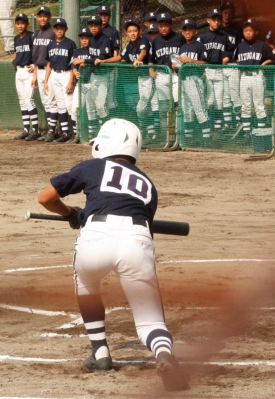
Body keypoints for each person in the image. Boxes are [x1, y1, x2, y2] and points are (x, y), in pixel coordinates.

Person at [36, 118, 189, 392]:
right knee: (150, 320)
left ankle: (100, 352)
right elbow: (139, 220)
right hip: (137, 239)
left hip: (95, 237)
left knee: (86, 283)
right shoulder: (148, 184)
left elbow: (45, 198)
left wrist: (72, 214)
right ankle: (163, 353)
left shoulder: (92, 166)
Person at [236, 19, 275, 141]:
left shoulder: (262, 45)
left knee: (259, 105)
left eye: (251, 30)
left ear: (256, 32)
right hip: (244, 76)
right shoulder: (240, 46)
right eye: (246, 30)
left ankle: (261, 134)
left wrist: (264, 63)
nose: (248, 33)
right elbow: (235, 58)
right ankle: (246, 134)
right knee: (245, 106)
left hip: (257, 76)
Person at [79, 15, 121, 137]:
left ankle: (108, 132)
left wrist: (83, 60)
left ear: (100, 26)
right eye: (91, 26)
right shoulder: (91, 40)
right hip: (94, 76)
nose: (93, 28)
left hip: (104, 76)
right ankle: (101, 131)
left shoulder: (105, 39)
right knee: (95, 105)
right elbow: (92, 58)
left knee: (101, 105)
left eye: (95, 25)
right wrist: (86, 61)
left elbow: (100, 58)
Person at [149, 12, 185, 138]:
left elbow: (186, 54)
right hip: (161, 75)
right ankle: (167, 135)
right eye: (161, 25)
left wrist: (180, 65)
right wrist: (151, 70)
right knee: (164, 106)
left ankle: (179, 134)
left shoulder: (179, 38)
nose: (163, 28)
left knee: (177, 104)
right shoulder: (156, 41)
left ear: (171, 25)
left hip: (176, 75)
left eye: (166, 25)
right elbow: (151, 59)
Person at [176, 19, 210, 143]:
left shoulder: (199, 46)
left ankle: (207, 138)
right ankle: (189, 138)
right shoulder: (182, 48)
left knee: (199, 109)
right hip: (183, 80)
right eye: (185, 30)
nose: (187, 32)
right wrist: (176, 66)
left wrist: (190, 61)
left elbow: (205, 63)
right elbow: (180, 64)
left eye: (190, 29)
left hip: (194, 79)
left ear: (195, 31)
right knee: (187, 111)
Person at [43, 18, 77, 143]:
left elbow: (73, 63)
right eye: (57, 28)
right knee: (60, 104)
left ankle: (76, 133)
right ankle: (65, 133)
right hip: (54, 74)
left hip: (66, 73)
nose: (59, 31)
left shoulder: (70, 43)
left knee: (69, 104)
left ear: (66, 29)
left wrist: (71, 81)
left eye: (61, 28)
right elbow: (49, 64)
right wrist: (46, 81)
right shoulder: (50, 44)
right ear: (53, 30)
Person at [198, 8, 232, 132]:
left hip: (219, 70)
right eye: (214, 20)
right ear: (208, 20)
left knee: (219, 101)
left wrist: (226, 58)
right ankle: (207, 126)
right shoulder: (203, 36)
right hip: (207, 69)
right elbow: (197, 52)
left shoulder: (223, 37)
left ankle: (217, 129)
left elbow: (229, 51)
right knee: (210, 100)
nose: (216, 22)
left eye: (218, 20)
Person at [120, 20, 155, 138]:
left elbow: (143, 52)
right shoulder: (129, 46)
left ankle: (142, 129)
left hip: (150, 78)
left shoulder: (143, 40)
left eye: (135, 31)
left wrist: (138, 60)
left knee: (141, 107)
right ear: (126, 33)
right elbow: (120, 57)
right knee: (147, 107)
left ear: (139, 32)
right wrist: (104, 61)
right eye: (130, 31)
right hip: (141, 78)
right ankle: (151, 133)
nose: (132, 33)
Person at [31, 6, 58, 142]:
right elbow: (35, 58)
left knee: (51, 101)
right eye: (40, 16)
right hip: (39, 70)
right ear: (37, 18)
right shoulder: (35, 34)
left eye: (45, 16)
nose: (42, 18)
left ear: (49, 17)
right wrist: (35, 76)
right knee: (46, 102)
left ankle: (53, 131)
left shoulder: (53, 32)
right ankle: (51, 130)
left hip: (50, 70)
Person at [12, 13, 39, 140]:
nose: (20, 26)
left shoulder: (32, 36)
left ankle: (36, 130)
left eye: (22, 23)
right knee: (22, 101)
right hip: (19, 71)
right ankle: (26, 130)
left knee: (29, 100)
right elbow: (16, 53)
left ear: (27, 24)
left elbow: (38, 52)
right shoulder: (16, 39)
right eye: (18, 23)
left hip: (29, 71)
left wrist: (35, 66)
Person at [218, 2, 243, 127]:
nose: (227, 16)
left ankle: (240, 122)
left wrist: (235, 57)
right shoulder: (217, 30)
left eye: (230, 13)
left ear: (233, 15)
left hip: (232, 65)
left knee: (234, 94)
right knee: (225, 96)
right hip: (219, 66)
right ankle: (227, 123)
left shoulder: (236, 31)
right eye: (225, 13)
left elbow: (241, 47)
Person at [70, 28, 94, 143]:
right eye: (82, 38)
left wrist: (84, 62)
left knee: (90, 110)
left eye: (87, 38)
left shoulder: (94, 51)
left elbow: (95, 62)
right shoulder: (77, 51)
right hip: (80, 84)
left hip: (91, 83)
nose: (84, 40)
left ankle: (92, 134)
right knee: (75, 108)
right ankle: (77, 134)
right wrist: (75, 71)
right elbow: (73, 64)